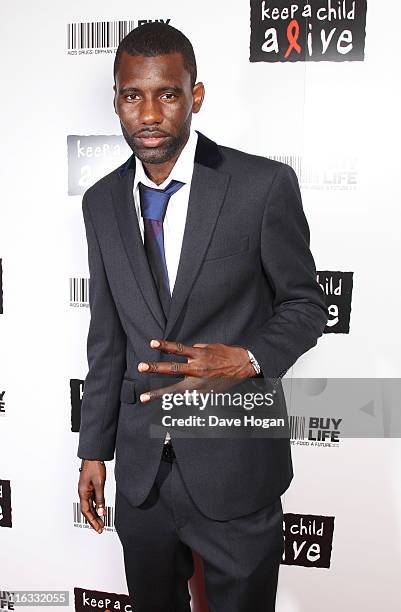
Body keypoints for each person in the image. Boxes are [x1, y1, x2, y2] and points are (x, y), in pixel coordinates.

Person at [77, 22, 328, 612]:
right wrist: (94, 451)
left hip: (237, 465)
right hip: (142, 480)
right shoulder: (101, 202)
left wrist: (248, 359)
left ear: (197, 96)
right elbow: (107, 340)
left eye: (167, 94)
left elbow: (306, 303)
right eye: (132, 95)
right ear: (116, 98)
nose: (149, 113)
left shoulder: (261, 185)